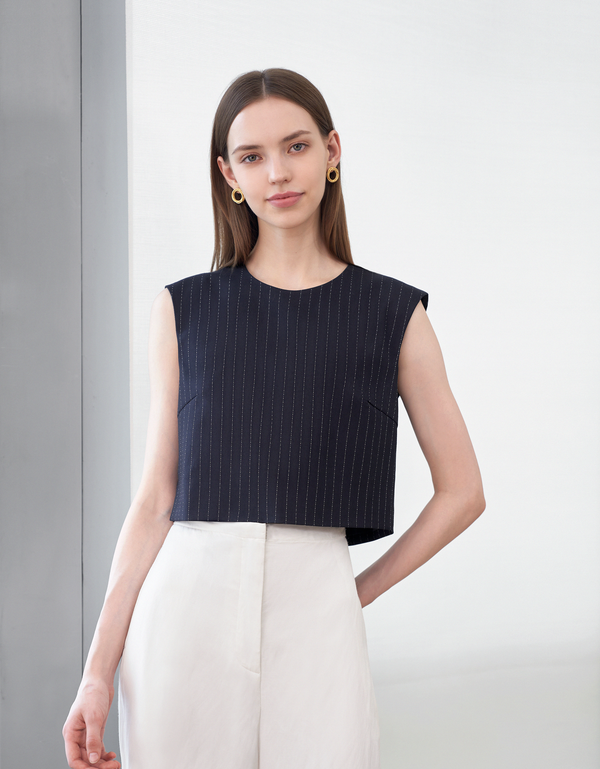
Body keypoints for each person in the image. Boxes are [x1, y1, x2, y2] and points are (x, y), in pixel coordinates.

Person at [62, 67, 485, 769]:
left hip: (317, 610)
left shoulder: (394, 314)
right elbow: (155, 500)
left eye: (296, 146)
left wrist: (350, 594)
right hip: (184, 608)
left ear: (332, 151)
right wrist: (96, 673)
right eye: (252, 156)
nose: (278, 173)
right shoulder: (183, 310)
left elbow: (463, 491)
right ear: (229, 174)